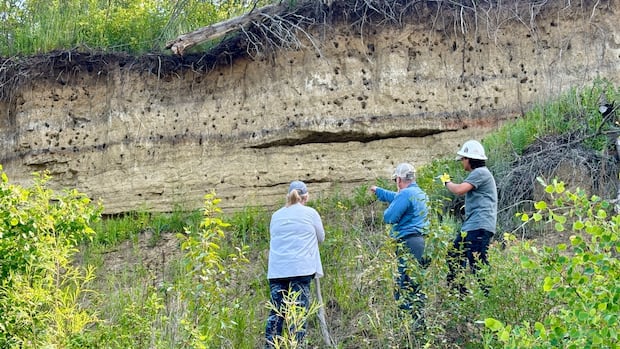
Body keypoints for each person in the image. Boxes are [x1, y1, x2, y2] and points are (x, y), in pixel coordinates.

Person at [264, 180, 325, 348]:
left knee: (276, 315)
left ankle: (271, 346)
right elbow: (321, 238)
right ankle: (296, 346)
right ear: (305, 197)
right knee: (297, 314)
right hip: (301, 269)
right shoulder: (311, 213)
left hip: (277, 271)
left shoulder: (276, 215)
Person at [370, 163, 429, 321]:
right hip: (423, 242)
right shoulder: (420, 193)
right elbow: (396, 198)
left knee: (404, 284)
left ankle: (409, 323)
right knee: (417, 283)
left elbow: (389, 217)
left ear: (399, 179)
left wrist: (388, 209)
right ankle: (420, 322)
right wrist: (380, 192)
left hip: (408, 242)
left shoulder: (405, 194)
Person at [441, 139, 498, 296]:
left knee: (477, 263)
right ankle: (460, 296)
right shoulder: (479, 174)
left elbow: (459, 190)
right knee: (455, 255)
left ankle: (492, 297)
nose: (462, 162)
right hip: (473, 226)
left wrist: (446, 182)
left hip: (479, 226)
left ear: (470, 159)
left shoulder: (480, 173)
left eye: (463, 159)